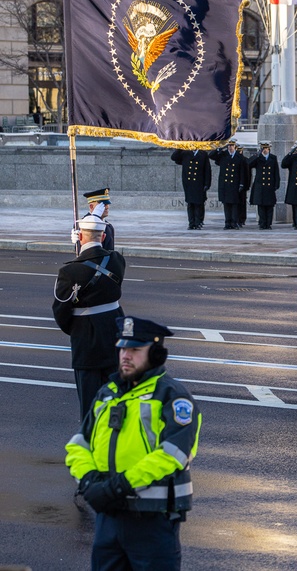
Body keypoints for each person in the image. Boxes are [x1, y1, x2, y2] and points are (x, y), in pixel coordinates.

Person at [65, 316, 202, 571]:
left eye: (135, 350)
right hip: (109, 517)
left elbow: (173, 454)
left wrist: (118, 487)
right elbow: (78, 445)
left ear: (157, 354)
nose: (125, 356)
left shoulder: (173, 397)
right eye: (123, 348)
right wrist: (89, 481)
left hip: (151, 520)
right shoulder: (108, 394)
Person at [54, 215, 127, 420]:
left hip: (86, 340)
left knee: (89, 404)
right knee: (115, 398)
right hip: (115, 333)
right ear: (103, 236)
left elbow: (61, 312)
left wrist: (77, 330)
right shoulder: (117, 260)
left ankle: (93, 444)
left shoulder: (69, 271)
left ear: (79, 237)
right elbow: (107, 250)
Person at [209, 139, 249, 229]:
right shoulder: (223, 155)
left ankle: (234, 222)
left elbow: (242, 172)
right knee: (226, 205)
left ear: (235, 146)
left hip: (235, 184)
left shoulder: (239, 157)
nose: (230, 148)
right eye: (229, 146)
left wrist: (242, 184)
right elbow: (211, 155)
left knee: (234, 205)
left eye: (231, 146)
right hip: (225, 185)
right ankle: (227, 223)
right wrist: (220, 147)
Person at [170, 148, 211, 230]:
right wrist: (180, 148)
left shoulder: (203, 154)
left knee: (198, 204)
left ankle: (198, 222)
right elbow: (174, 157)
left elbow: (207, 170)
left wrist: (207, 184)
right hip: (188, 183)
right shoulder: (185, 153)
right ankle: (191, 223)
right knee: (190, 204)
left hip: (199, 183)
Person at [247, 141, 280, 229]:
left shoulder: (273, 158)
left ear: (269, 148)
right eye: (263, 148)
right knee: (261, 207)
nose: (265, 150)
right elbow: (248, 164)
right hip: (260, 186)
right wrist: (257, 155)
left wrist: (277, 184)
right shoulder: (258, 158)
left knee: (269, 206)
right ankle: (262, 223)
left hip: (269, 186)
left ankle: (268, 224)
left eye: (266, 148)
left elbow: (276, 172)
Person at [77, 188, 115, 253]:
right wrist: (94, 218)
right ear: (91, 207)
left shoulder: (109, 226)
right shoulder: (82, 224)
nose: (107, 207)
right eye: (103, 204)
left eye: (107, 204)